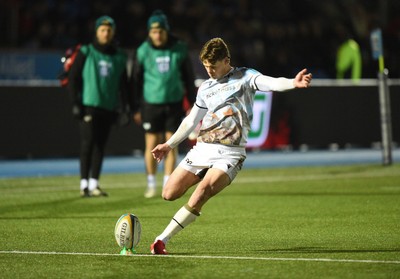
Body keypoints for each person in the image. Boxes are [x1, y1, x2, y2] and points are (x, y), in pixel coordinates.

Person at [150, 37, 312, 254]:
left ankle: (162, 240)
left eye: (213, 67)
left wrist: (293, 82)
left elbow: (271, 82)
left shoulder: (245, 77)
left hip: (230, 154)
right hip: (203, 149)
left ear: (226, 60)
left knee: (201, 193)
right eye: (206, 67)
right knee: (168, 193)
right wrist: (168, 145)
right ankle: (203, 173)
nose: (209, 71)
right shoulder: (206, 87)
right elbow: (190, 121)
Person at [132, 10, 196, 198]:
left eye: (160, 31)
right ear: (149, 32)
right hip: (151, 103)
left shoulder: (179, 48)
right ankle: (151, 184)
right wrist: (136, 107)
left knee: (171, 143)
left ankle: (167, 182)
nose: (157, 35)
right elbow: (135, 80)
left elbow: (188, 76)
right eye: (153, 32)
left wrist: (192, 102)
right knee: (151, 143)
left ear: (166, 31)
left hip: (174, 103)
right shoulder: (143, 50)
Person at [68, 15, 131, 197]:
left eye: (109, 30)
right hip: (89, 105)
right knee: (87, 144)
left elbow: (123, 85)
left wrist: (125, 108)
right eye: (102, 30)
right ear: (96, 31)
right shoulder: (86, 51)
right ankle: (83, 184)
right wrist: (75, 103)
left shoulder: (119, 56)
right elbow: (73, 78)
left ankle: (94, 184)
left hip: (108, 107)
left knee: (100, 146)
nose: (106, 33)